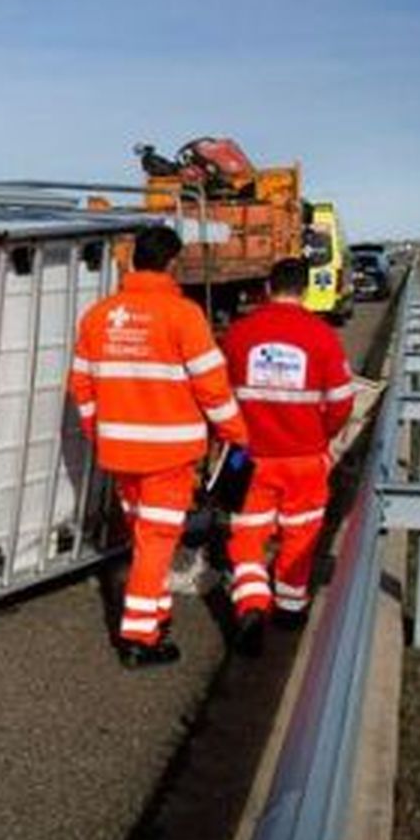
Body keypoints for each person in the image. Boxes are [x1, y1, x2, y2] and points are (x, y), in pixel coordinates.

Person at [69, 225, 249, 668]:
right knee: (157, 541)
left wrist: (99, 433)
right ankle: (139, 638)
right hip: (168, 455)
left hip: (119, 452)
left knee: (143, 535)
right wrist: (236, 433)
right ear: (171, 263)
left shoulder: (98, 315)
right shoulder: (183, 315)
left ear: (132, 261)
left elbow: (81, 385)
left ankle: (155, 612)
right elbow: (213, 387)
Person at [219, 257, 353, 652]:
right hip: (305, 459)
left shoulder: (240, 334)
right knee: (301, 531)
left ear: (266, 287)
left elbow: (220, 396)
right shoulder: (321, 335)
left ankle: (250, 605)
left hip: (251, 457)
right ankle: (291, 608)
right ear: (307, 289)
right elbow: (342, 402)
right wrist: (321, 436)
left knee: (246, 533)